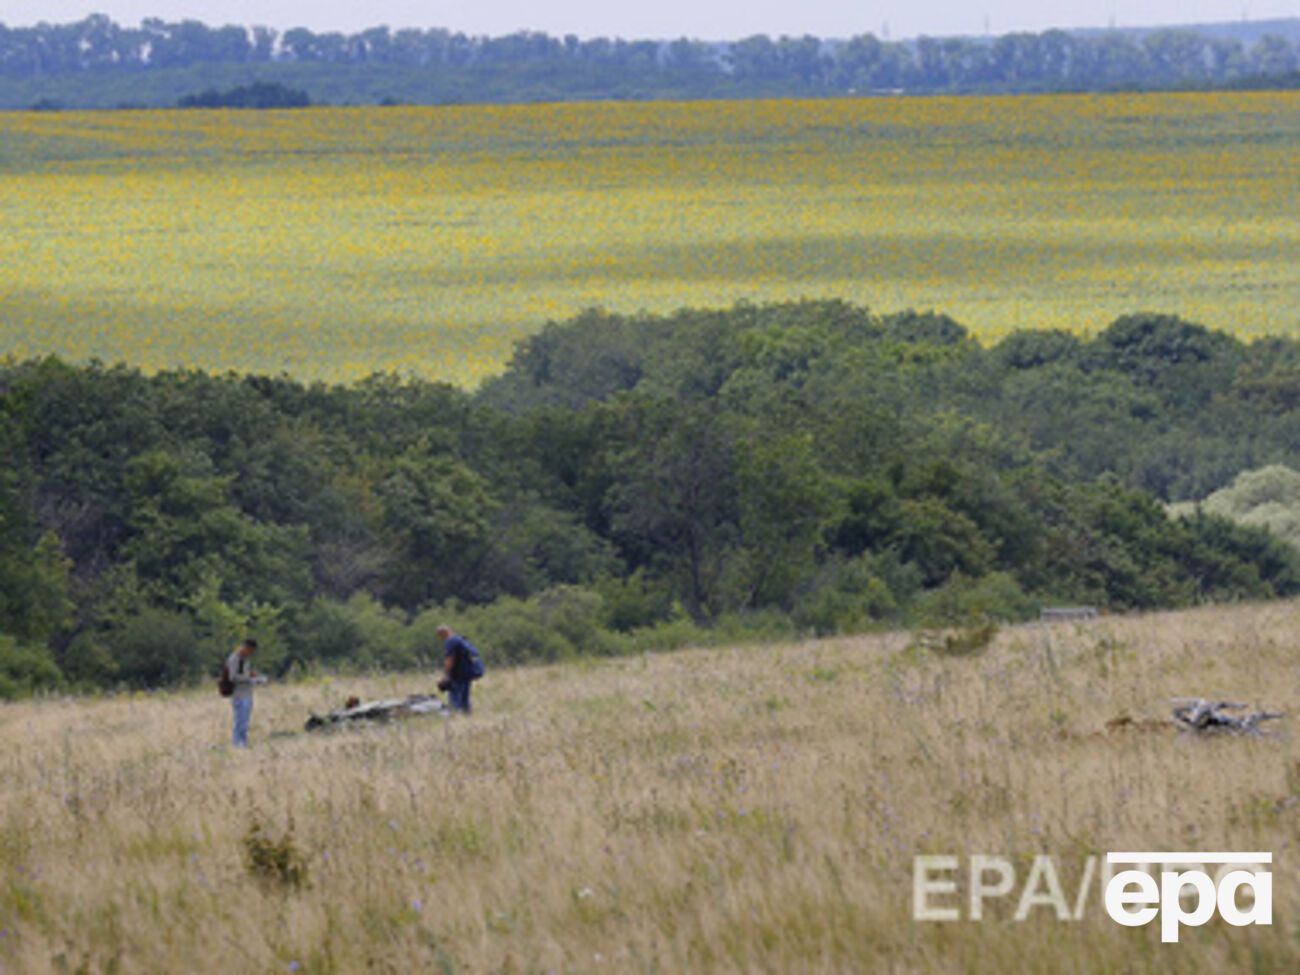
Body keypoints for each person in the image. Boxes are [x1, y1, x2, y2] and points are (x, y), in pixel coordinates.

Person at [225, 638, 265, 747]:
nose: (251, 653)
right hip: (238, 694)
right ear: (246, 647)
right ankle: (237, 743)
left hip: (247, 693)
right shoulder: (234, 659)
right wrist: (249, 678)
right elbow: (232, 677)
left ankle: (243, 741)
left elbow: (242, 672)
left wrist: (252, 675)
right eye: (251, 651)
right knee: (240, 720)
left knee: (245, 720)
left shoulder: (245, 659)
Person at [436, 625, 479, 714]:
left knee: (454, 700)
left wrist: (446, 675)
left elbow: (450, 660)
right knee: (465, 699)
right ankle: (467, 718)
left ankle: (454, 719)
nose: (440, 639)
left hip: (457, 676)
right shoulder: (461, 640)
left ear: (442, 633)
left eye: (440, 636)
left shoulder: (450, 642)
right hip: (467, 674)